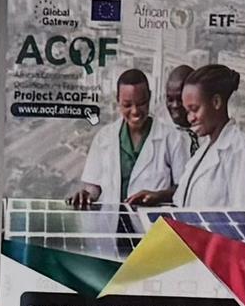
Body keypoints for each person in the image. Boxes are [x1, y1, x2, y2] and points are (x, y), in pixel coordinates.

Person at [71, 67, 178, 222]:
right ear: (118, 100)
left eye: (141, 103)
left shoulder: (172, 138)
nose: (135, 111)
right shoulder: (104, 138)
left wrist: (159, 196)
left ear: (150, 97)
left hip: (154, 226)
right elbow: (94, 185)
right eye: (127, 105)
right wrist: (87, 195)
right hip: (111, 225)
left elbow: (183, 188)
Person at [173, 62, 245, 211]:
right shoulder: (204, 150)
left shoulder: (240, 149)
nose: (190, 118)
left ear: (216, 102)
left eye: (195, 109)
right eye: (187, 111)